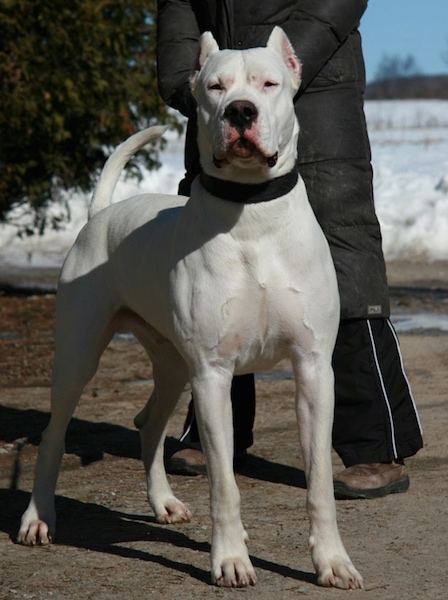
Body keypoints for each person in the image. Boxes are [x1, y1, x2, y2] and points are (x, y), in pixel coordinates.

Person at [156, 0, 423, 498]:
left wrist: (284, 61)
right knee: (211, 255)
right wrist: (187, 76)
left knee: (343, 246)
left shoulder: (293, 67)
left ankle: (373, 443)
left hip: (314, 80)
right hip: (223, 83)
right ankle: (214, 432)